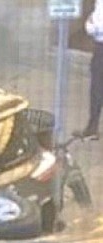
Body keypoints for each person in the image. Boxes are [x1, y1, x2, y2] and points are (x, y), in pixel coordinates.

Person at [76, 0, 103, 139]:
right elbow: (90, 24)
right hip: (99, 47)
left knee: (97, 88)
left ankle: (92, 128)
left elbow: (96, 26)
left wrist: (92, 24)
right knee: (96, 89)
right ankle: (92, 127)